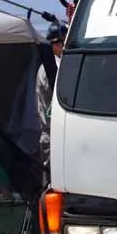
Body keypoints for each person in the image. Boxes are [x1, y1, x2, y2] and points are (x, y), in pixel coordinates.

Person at [37, 23, 66, 181]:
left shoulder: (62, 64)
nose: (62, 47)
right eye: (58, 43)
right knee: (52, 180)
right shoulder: (48, 69)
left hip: (62, 132)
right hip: (52, 132)